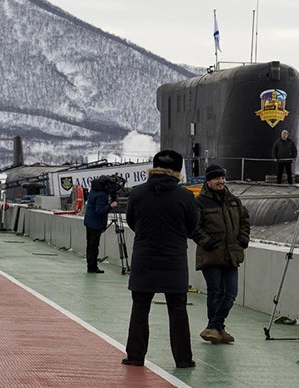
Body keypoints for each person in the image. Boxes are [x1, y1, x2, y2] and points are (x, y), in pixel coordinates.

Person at [122, 150, 200, 369]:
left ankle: (135, 356)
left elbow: (132, 222)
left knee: (140, 308)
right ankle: (183, 359)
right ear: (177, 170)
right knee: (177, 310)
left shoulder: (138, 193)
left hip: (144, 258)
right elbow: (193, 226)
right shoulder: (185, 196)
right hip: (173, 260)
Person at [192, 164, 250, 345]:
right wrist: (207, 242)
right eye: (217, 178)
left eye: (223, 178)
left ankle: (215, 327)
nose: (221, 181)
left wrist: (243, 238)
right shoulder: (200, 202)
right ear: (209, 181)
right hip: (211, 255)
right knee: (215, 292)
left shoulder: (233, 200)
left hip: (231, 254)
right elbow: (193, 226)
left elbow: (245, 220)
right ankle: (217, 328)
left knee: (231, 293)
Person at [83, 176, 117, 273]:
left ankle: (90, 265)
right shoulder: (101, 195)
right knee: (94, 246)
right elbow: (100, 211)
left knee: (90, 244)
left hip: (89, 221)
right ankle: (93, 267)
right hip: (95, 224)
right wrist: (111, 205)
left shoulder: (94, 190)